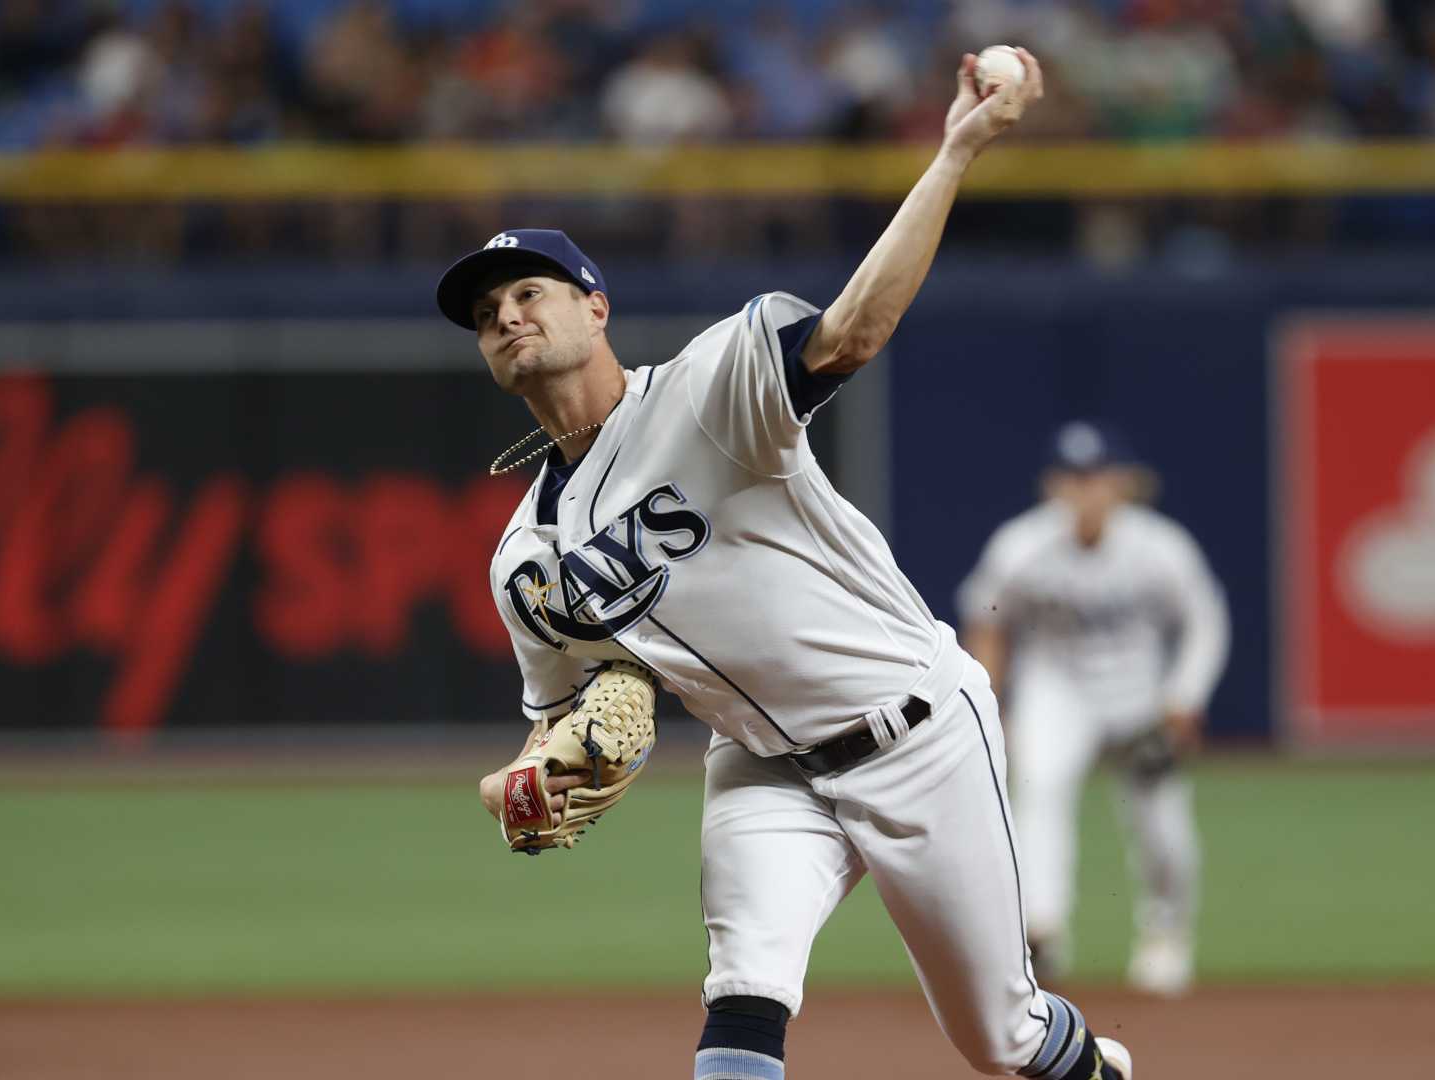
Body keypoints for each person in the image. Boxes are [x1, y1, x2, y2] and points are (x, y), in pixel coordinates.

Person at [434, 49, 1133, 1080]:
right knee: (742, 994)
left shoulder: (710, 390)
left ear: (595, 307)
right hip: (762, 768)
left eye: (527, 294)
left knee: (999, 1041)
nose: (506, 319)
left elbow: (853, 330)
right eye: (486, 317)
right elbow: (569, 708)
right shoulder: (523, 563)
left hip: (914, 730)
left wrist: (955, 150)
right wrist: (520, 780)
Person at [958, 420, 1230, 996]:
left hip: (1140, 695)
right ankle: (1041, 931)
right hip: (1057, 691)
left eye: (1098, 476)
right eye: (1074, 478)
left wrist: (1185, 697)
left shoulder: (1160, 546)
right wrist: (989, 701)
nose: (1086, 489)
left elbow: (1206, 621)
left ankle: (1166, 935)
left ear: (1123, 483)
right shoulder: (1021, 545)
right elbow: (986, 621)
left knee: (1162, 824)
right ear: (1054, 486)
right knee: (1039, 792)